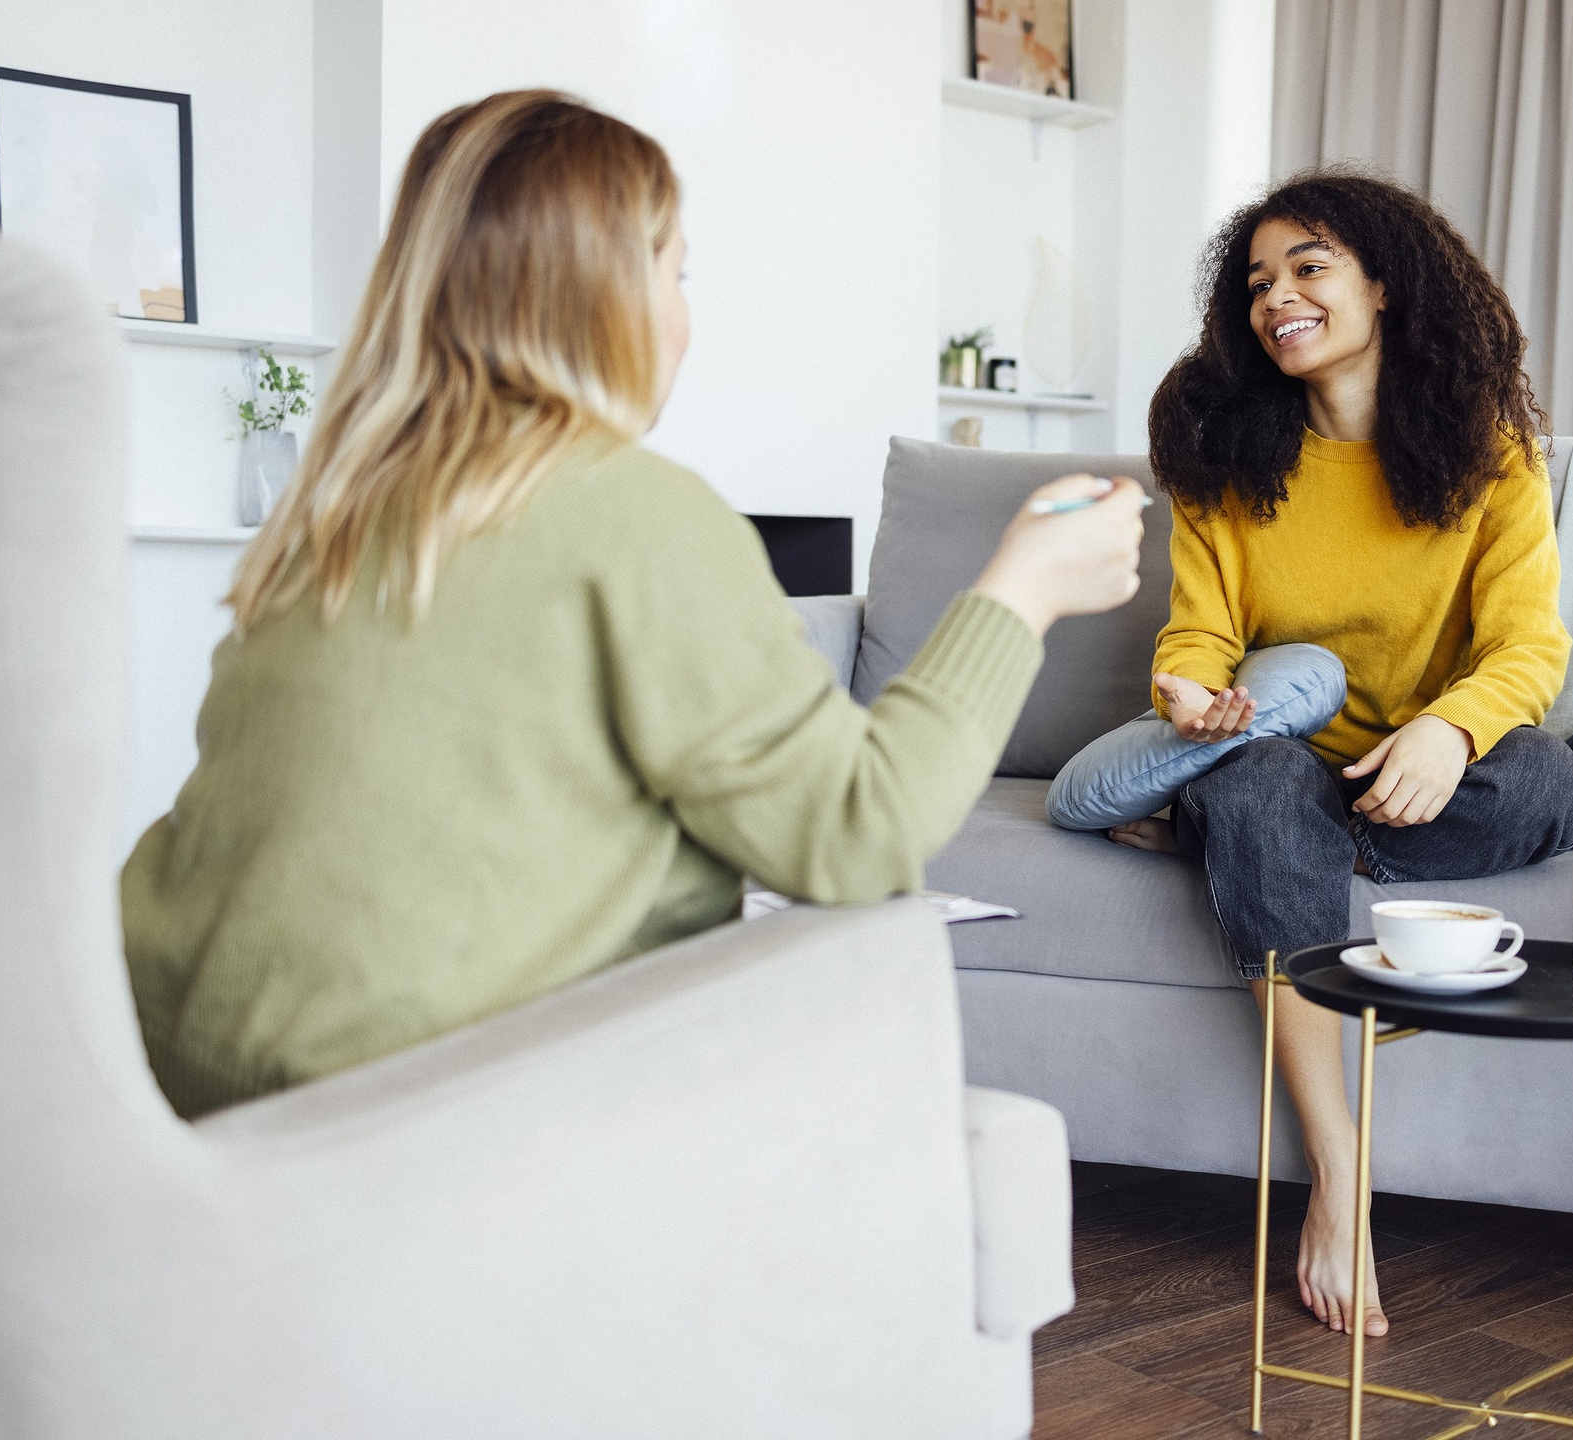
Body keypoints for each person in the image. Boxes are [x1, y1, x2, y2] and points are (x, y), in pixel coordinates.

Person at [121, 91, 1146, 1119]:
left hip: (160, 1077)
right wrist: (1021, 589)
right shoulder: (632, 512)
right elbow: (860, 831)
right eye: (676, 273)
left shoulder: (336, 512)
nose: (684, 316)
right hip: (395, 1115)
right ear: (606, 297)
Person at [1051, 169, 1573, 1336]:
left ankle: (1232, 842)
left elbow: (1526, 645)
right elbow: (1200, 632)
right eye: (1256, 283)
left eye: (1308, 268)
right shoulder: (1227, 455)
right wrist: (1187, 691)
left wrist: (1447, 728)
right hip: (1280, 755)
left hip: (1425, 767)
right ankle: (1338, 1176)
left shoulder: (1491, 453)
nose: (1276, 299)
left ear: (1382, 286)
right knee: (1256, 787)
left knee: (1548, 778)